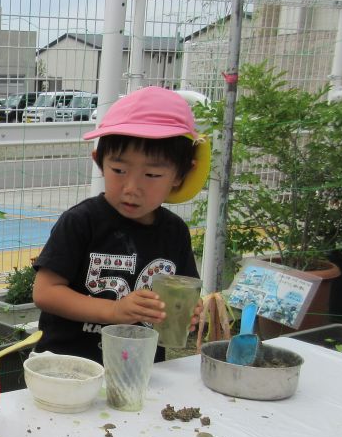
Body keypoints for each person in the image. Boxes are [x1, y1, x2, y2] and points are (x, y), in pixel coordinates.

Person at [31, 86, 210, 363]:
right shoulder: (82, 221)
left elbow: (180, 295)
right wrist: (114, 311)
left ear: (180, 175)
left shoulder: (174, 232)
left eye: (151, 174)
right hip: (67, 366)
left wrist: (188, 312)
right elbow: (46, 292)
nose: (131, 187)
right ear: (99, 162)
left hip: (140, 368)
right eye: (119, 170)